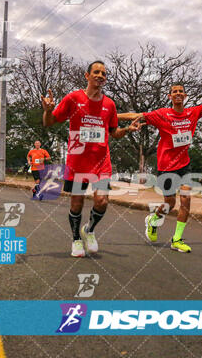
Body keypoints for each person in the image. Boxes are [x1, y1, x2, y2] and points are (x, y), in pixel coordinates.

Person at [118, 79, 202, 253]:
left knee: (186, 199)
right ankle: (153, 219)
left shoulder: (193, 113)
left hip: (184, 164)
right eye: (174, 91)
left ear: (185, 96)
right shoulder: (162, 114)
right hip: (166, 166)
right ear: (170, 96)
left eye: (180, 91)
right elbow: (136, 115)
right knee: (170, 204)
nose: (178, 93)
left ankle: (176, 239)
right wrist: (110, 116)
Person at [42, 60, 143, 257]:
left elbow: (114, 133)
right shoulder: (73, 98)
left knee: (102, 201)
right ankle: (76, 240)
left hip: (100, 163)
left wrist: (127, 130)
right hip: (78, 162)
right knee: (76, 204)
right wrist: (47, 110)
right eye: (96, 72)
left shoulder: (109, 105)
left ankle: (89, 230)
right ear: (87, 76)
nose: (100, 75)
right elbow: (50, 122)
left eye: (103, 74)